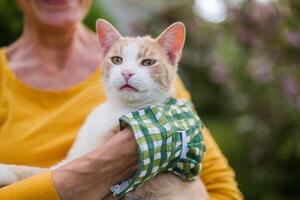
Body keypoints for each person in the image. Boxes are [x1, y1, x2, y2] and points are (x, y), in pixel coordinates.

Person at [0, 0, 243, 199]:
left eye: (147, 62)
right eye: (117, 60)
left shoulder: (167, 103)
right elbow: (63, 174)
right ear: (105, 53)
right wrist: (82, 177)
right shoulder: (100, 117)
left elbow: (222, 189)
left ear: (171, 58)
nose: (127, 71)